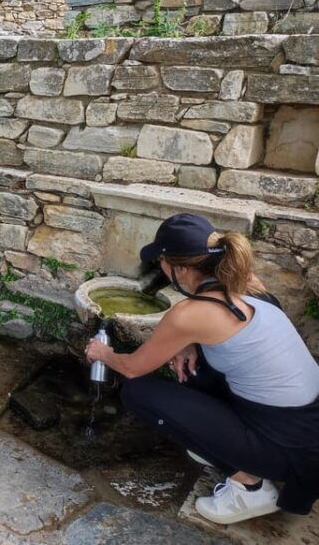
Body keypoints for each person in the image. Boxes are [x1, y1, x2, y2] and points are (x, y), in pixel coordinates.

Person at [85, 213, 319, 524]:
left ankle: (249, 487)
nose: (161, 270)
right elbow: (227, 333)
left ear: (179, 268)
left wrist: (103, 353)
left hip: (287, 450)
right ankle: (221, 447)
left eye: (162, 262)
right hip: (305, 426)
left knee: (138, 393)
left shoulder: (190, 314)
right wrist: (191, 342)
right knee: (192, 368)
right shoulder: (244, 283)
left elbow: (132, 368)